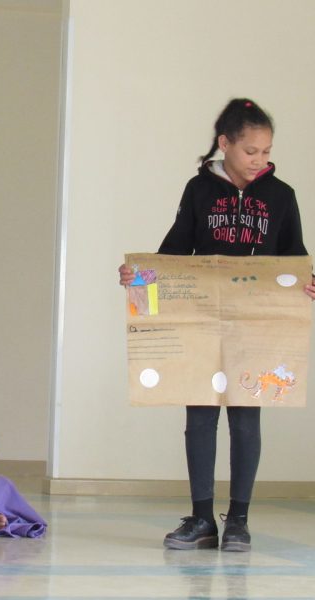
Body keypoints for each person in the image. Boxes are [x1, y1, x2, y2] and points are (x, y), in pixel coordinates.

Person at [119, 98, 315, 552]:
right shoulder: (199, 190)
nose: (259, 160)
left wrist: (308, 283)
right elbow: (174, 252)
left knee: (246, 416)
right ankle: (202, 518)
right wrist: (138, 275)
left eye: (266, 151)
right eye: (250, 151)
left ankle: (239, 521)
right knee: (201, 416)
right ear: (225, 144)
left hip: (256, 324)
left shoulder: (281, 196)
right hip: (202, 322)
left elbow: (294, 257)